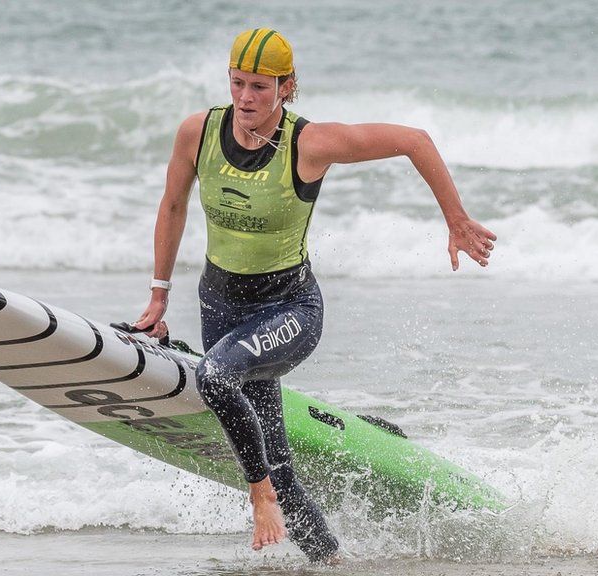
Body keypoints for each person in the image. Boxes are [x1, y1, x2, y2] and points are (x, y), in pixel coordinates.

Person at [134, 28, 497, 563]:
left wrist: (456, 219)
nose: (245, 98)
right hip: (219, 305)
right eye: (237, 83)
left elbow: (415, 140)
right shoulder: (199, 132)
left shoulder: (311, 144)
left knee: (215, 375)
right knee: (275, 458)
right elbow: (172, 207)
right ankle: (329, 560)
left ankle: (260, 496)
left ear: (287, 87)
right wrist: (158, 299)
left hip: (289, 309)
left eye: (260, 86)